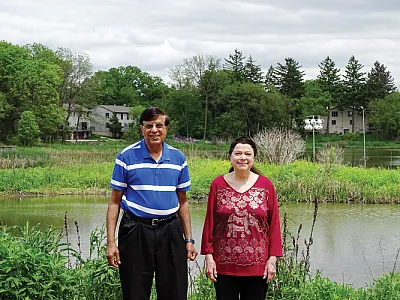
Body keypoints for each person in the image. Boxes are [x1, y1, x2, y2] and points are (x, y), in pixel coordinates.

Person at [106, 107, 197, 300]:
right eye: (149, 126)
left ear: (166, 129)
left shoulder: (178, 158)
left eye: (159, 125)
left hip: (171, 230)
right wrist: (111, 242)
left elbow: (183, 202)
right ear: (142, 128)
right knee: (135, 292)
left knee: (175, 291)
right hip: (136, 230)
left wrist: (188, 240)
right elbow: (114, 202)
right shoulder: (126, 156)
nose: (154, 130)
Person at [201, 137, 283, 300]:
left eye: (248, 154)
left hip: (258, 268)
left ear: (254, 158)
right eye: (238, 153)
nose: (243, 158)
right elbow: (210, 222)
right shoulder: (218, 184)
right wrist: (209, 258)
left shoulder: (266, 185)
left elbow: (274, 225)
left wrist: (272, 260)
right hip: (223, 267)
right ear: (230, 157)